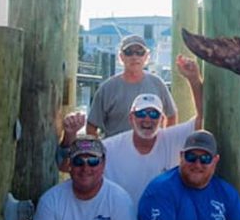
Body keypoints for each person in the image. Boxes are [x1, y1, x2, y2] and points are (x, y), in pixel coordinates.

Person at [58, 56, 205, 206]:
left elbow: (202, 119)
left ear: (162, 120)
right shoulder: (110, 147)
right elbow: (65, 166)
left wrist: (194, 79)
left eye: (154, 114)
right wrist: (70, 135)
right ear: (131, 118)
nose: (147, 119)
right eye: (141, 114)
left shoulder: (172, 138)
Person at [86, 34, 177, 137]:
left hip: (151, 150)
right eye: (129, 52)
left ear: (146, 57)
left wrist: (164, 142)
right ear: (121, 57)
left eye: (140, 53)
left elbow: (172, 116)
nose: (134, 57)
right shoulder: (107, 88)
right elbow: (91, 126)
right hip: (116, 150)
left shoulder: (158, 84)